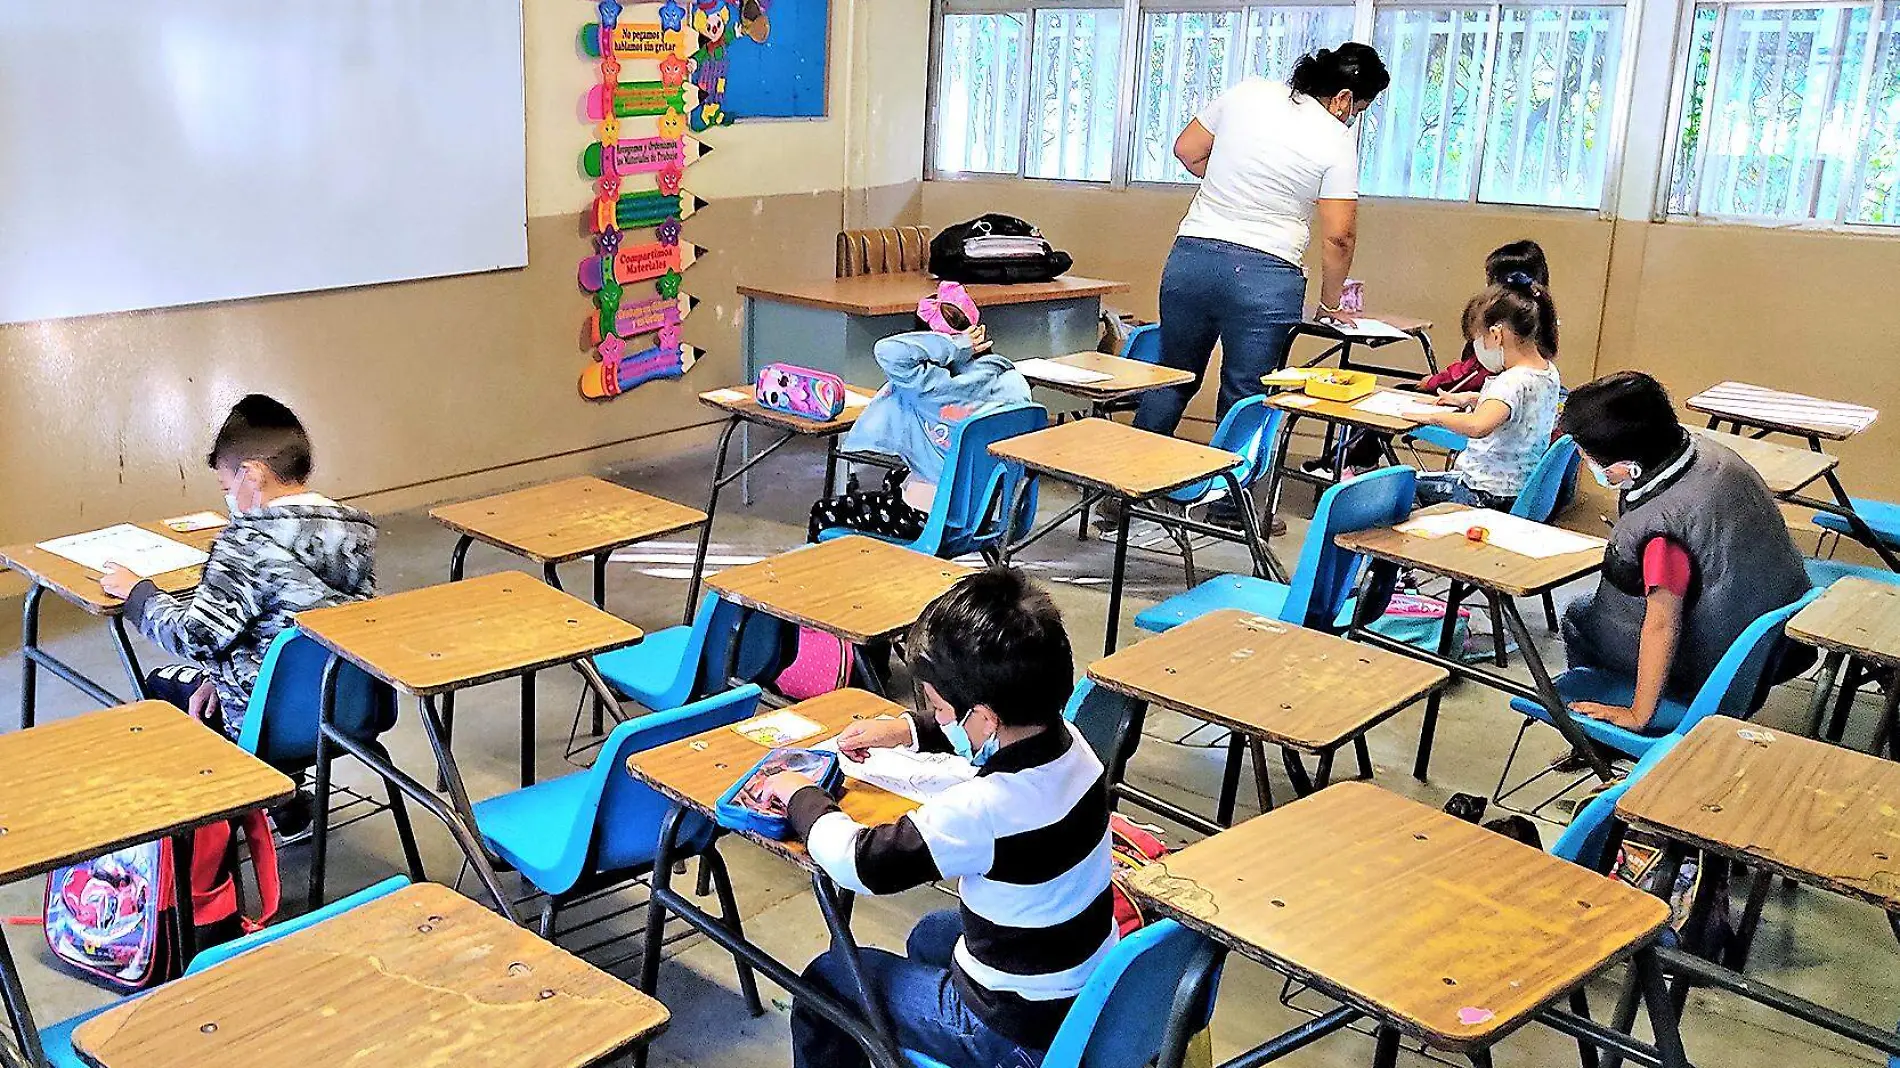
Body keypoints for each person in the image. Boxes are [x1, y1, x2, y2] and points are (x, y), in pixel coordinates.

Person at [760, 568, 1112, 1068]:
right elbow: (980, 726)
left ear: (985, 717)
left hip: (1011, 1030)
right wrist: (905, 729)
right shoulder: (1073, 745)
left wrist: (802, 797)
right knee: (930, 934)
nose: (935, 716)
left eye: (939, 708)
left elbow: (865, 864)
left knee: (829, 979)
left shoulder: (985, 808)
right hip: (1079, 988)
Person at [1132, 44, 1389, 444]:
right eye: (1359, 109)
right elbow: (1339, 236)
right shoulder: (1336, 140)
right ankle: (1227, 504)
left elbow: (1186, 150)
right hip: (1265, 277)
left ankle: (1123, 492)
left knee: (1172, 377)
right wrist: (1330, 304)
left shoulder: (1247, 92)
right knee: (1246, 396)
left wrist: (1232, 186)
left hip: (1192, 258)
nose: (1354, 118)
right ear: (1342, 99)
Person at [98, 395, 378, 746]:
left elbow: (195, 637)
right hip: (348, 719)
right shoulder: (355, 535)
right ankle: (285, 795)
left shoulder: (246, 544)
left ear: (252, 475)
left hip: (262, 724)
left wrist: (140, 595)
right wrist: (214, 679)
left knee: (158, 684)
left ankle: (242, 796)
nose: (228, 499)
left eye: (227, 488)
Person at [1556, 372, 1812, 731]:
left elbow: (1661, 624)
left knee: (1580, 616)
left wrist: (1638, 715)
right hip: (1775, 644)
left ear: (1629, 465)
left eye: (1588, 455)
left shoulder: (1662, 533)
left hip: (1718, 669)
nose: (1585, 461)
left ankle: (1603, 730)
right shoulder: (1712, 459)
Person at [1319, 239, 1554, 476]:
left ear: (1495, 335)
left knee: (1396, 484)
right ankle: (1348, 463)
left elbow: (1477, 415)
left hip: (1481, 488)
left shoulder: (1509, 373)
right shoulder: (1544, 368)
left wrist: (1434, 411)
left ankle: (1347, 466)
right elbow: (1501, 399)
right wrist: (1470, 399)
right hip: (1511, 478)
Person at [815, 285, 1029, 541]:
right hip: (982, 516)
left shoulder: (929, 385)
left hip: (928, 519)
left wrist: (955, 346)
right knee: (895, 477)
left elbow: (887, 350)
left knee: (823, 512)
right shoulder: (1013, 381)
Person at [1405, 279, 1563, 509]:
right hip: (1516, 490)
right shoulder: (1547, 372)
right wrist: (1471, 398)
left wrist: (1432, 417)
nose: (1478, 348)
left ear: (1496, 334)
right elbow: (1522, 408)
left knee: (1401, 487)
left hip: (1484, 494)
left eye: (1478, 340)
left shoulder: (1510, 381)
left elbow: (1478, 426)